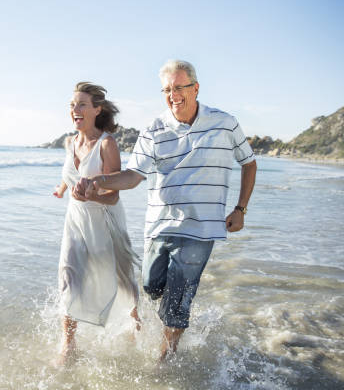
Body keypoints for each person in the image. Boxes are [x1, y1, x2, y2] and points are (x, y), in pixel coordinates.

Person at [75, 60, 257, 363]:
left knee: (176, 300)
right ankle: (174, 316)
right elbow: (133, 175)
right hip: (160, 226)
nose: (173, 94)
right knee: (151, 285)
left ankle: (167, 356)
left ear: (195, 88)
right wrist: (99, 181)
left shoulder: (225, 123)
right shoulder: (154, 129)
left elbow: (249, 163)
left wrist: (240, 209)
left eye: (179, 87)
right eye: (167, 89)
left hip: (201, 228)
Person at [53, 82, 141, 366]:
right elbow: (71, 174)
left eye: (80, 104)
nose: (74, 110)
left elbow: (114, 194)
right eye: (71, 105)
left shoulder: (107, 143)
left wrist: (94, 193)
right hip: (76, 222)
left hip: (106, 221)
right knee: (69, 276)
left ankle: (137, 324)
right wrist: (62, 189)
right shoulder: (70, 141)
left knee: (123, 278)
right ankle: (69, 344)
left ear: (96, 110)